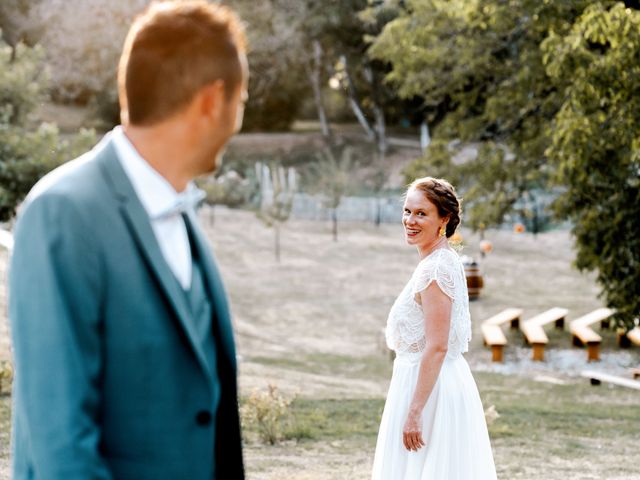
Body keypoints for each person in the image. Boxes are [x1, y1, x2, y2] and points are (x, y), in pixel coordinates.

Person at [9, 1, 248, 478]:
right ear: (211, 100)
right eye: (241, 102)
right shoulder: (61, 212)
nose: (240, 119)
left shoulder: (179, 212)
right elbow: (62, 445)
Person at [372, 177, 497, 479]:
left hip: (430, 393)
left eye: (421, 213)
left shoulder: (437, 268)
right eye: (407, 211)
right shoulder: (439, 262)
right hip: (425, 383)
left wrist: (415, 412)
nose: (410, 220)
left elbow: (438, 345)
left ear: (445, 219)